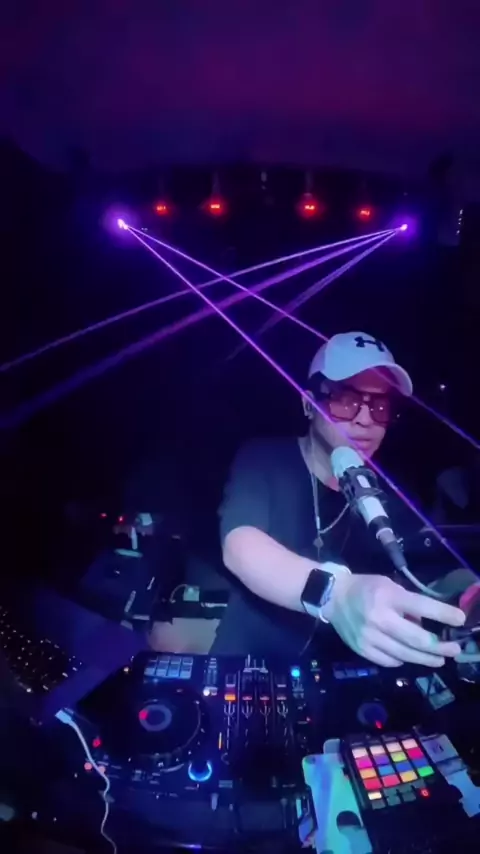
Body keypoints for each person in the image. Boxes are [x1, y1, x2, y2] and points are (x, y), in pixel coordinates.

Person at [212, 331, 465, 665]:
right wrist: (337, 595)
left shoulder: (392, 491)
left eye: (379, 406)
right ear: (309, 403)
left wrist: (469, 592)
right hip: (250, 662)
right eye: (346, 400)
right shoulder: (264, 457)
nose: (365, 419)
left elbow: (427, 569)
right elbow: (242, 547)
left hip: (340, 674)